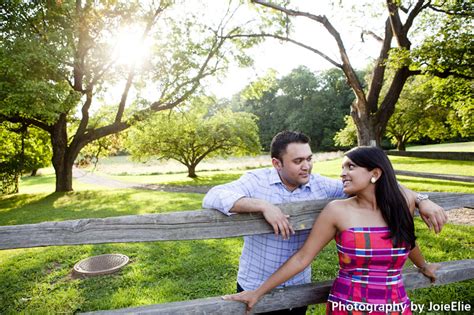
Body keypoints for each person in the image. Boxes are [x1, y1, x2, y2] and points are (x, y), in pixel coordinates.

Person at [203, 131, 447, 315]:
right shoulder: (255, 181)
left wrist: (421, 199)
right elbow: (213, 196)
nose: (306, 166)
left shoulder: (322, 186)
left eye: (309, 158)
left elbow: (385, 186)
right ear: (277, 163)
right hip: (256, 282)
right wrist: (264, 206)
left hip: (299, 284)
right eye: (298, 161)